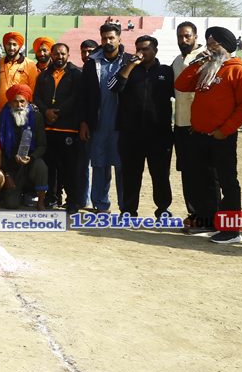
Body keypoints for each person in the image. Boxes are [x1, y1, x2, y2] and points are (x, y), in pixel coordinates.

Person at [173, 26, 242, 242]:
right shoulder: (206, 68)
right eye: (208, 45)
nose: (209, 49)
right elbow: (181, 84)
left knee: (227, 182)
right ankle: (209, 222)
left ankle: (232, 230)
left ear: (225, 47)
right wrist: (197, 62)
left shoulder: (238, 71)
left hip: (222, 136)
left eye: (214, 45)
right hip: (200, 135)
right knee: (205, 181)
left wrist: (224, 130)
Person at [109, 35, 175, 219]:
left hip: (160, 134)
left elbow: (180, 94)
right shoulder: (127, 69)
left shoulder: (166, 72)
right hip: (130, 134)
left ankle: (163, 209)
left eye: (146, 49)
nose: (141, 52)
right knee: (131, 174)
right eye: (138, 48)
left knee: (160, 174)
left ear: (155, 51)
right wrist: (130, 65)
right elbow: (113, 87)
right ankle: (128, 210)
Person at [81, 23, 126, 213]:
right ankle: (100, 205)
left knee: (123, 168)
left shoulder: (129, 62)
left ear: (119, 39)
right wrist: (84, 122)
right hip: (98, 125)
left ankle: (126, 206)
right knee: (100, 165)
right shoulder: (92, 64)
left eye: (111, 38)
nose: (108, 41)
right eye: (105, 38)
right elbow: (83, 95)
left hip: (122, 126)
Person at [33, 43, 82, 212]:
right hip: (48, 128)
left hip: (68, 128)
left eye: (62, 54)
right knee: (50, 166)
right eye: (56, 54)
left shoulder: (76, 73)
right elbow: (36, 97)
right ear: (51, 55)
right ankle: (52, 197)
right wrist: (46, 112)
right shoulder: (44, 75)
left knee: (69, 166)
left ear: (68, 55)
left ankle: (72, 200)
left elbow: (76, 98)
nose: (59, 57)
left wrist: (57, 114)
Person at [170, 22, 206, 226]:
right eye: (180, 36)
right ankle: (193, 214)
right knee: (187, 172)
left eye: (187, 36)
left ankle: (206, 215)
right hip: (180, 125)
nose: (183, 40)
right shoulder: (176, 61)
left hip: (199, 126)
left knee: (202, 172)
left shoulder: (205, 57)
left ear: (195, 37)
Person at [0, 84, 48, 210]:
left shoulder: (37, 117)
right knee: (11, 204)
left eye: (22, 101)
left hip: (30, 162)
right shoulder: (1, 118)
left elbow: (42, 145)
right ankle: (10, 192)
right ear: (10, 102)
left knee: (40, 165)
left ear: (27, 101)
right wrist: (6, 174)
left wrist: (31, 158)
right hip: (12, 165)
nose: (19, 105)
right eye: (15, 101)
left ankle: (41, 202)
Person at [0, 32, 39, 117]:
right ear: (5, 45)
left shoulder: (29, 64)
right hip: (0, 112)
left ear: (20, 46)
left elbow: (33, 90)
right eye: (8, 44)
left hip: (22, 112)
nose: (11, 48)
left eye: (14, 44)